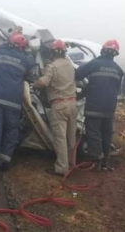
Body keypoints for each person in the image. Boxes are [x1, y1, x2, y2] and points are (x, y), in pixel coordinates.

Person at [0, 33, 36, 171]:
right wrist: (28, 50)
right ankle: (5, 160)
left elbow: (0, 46)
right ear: (22, 47)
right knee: (11, 130)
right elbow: (32, 62)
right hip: (12, 100)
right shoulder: (24, 59)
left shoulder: (0, 52)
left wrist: (9, 39)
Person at [75, 39, 123, 171]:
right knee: (106, 132)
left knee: (93, 132)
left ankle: (96, 159)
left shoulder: (95, 64)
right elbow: (117, 88)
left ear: (103, 50)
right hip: (109, 107)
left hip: (94, 105)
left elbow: (78, 75)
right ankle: (105, 160)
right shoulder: (118, 69)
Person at [34, 39, 77, 176]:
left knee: (60, 138)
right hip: (72, 104)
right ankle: (71, 163)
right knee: (71, 137)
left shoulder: (52, 66)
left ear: (52, 52)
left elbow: (44, 82)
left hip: (59, 105)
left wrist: (35, 82)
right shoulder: (70, 65)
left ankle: (61, 168)